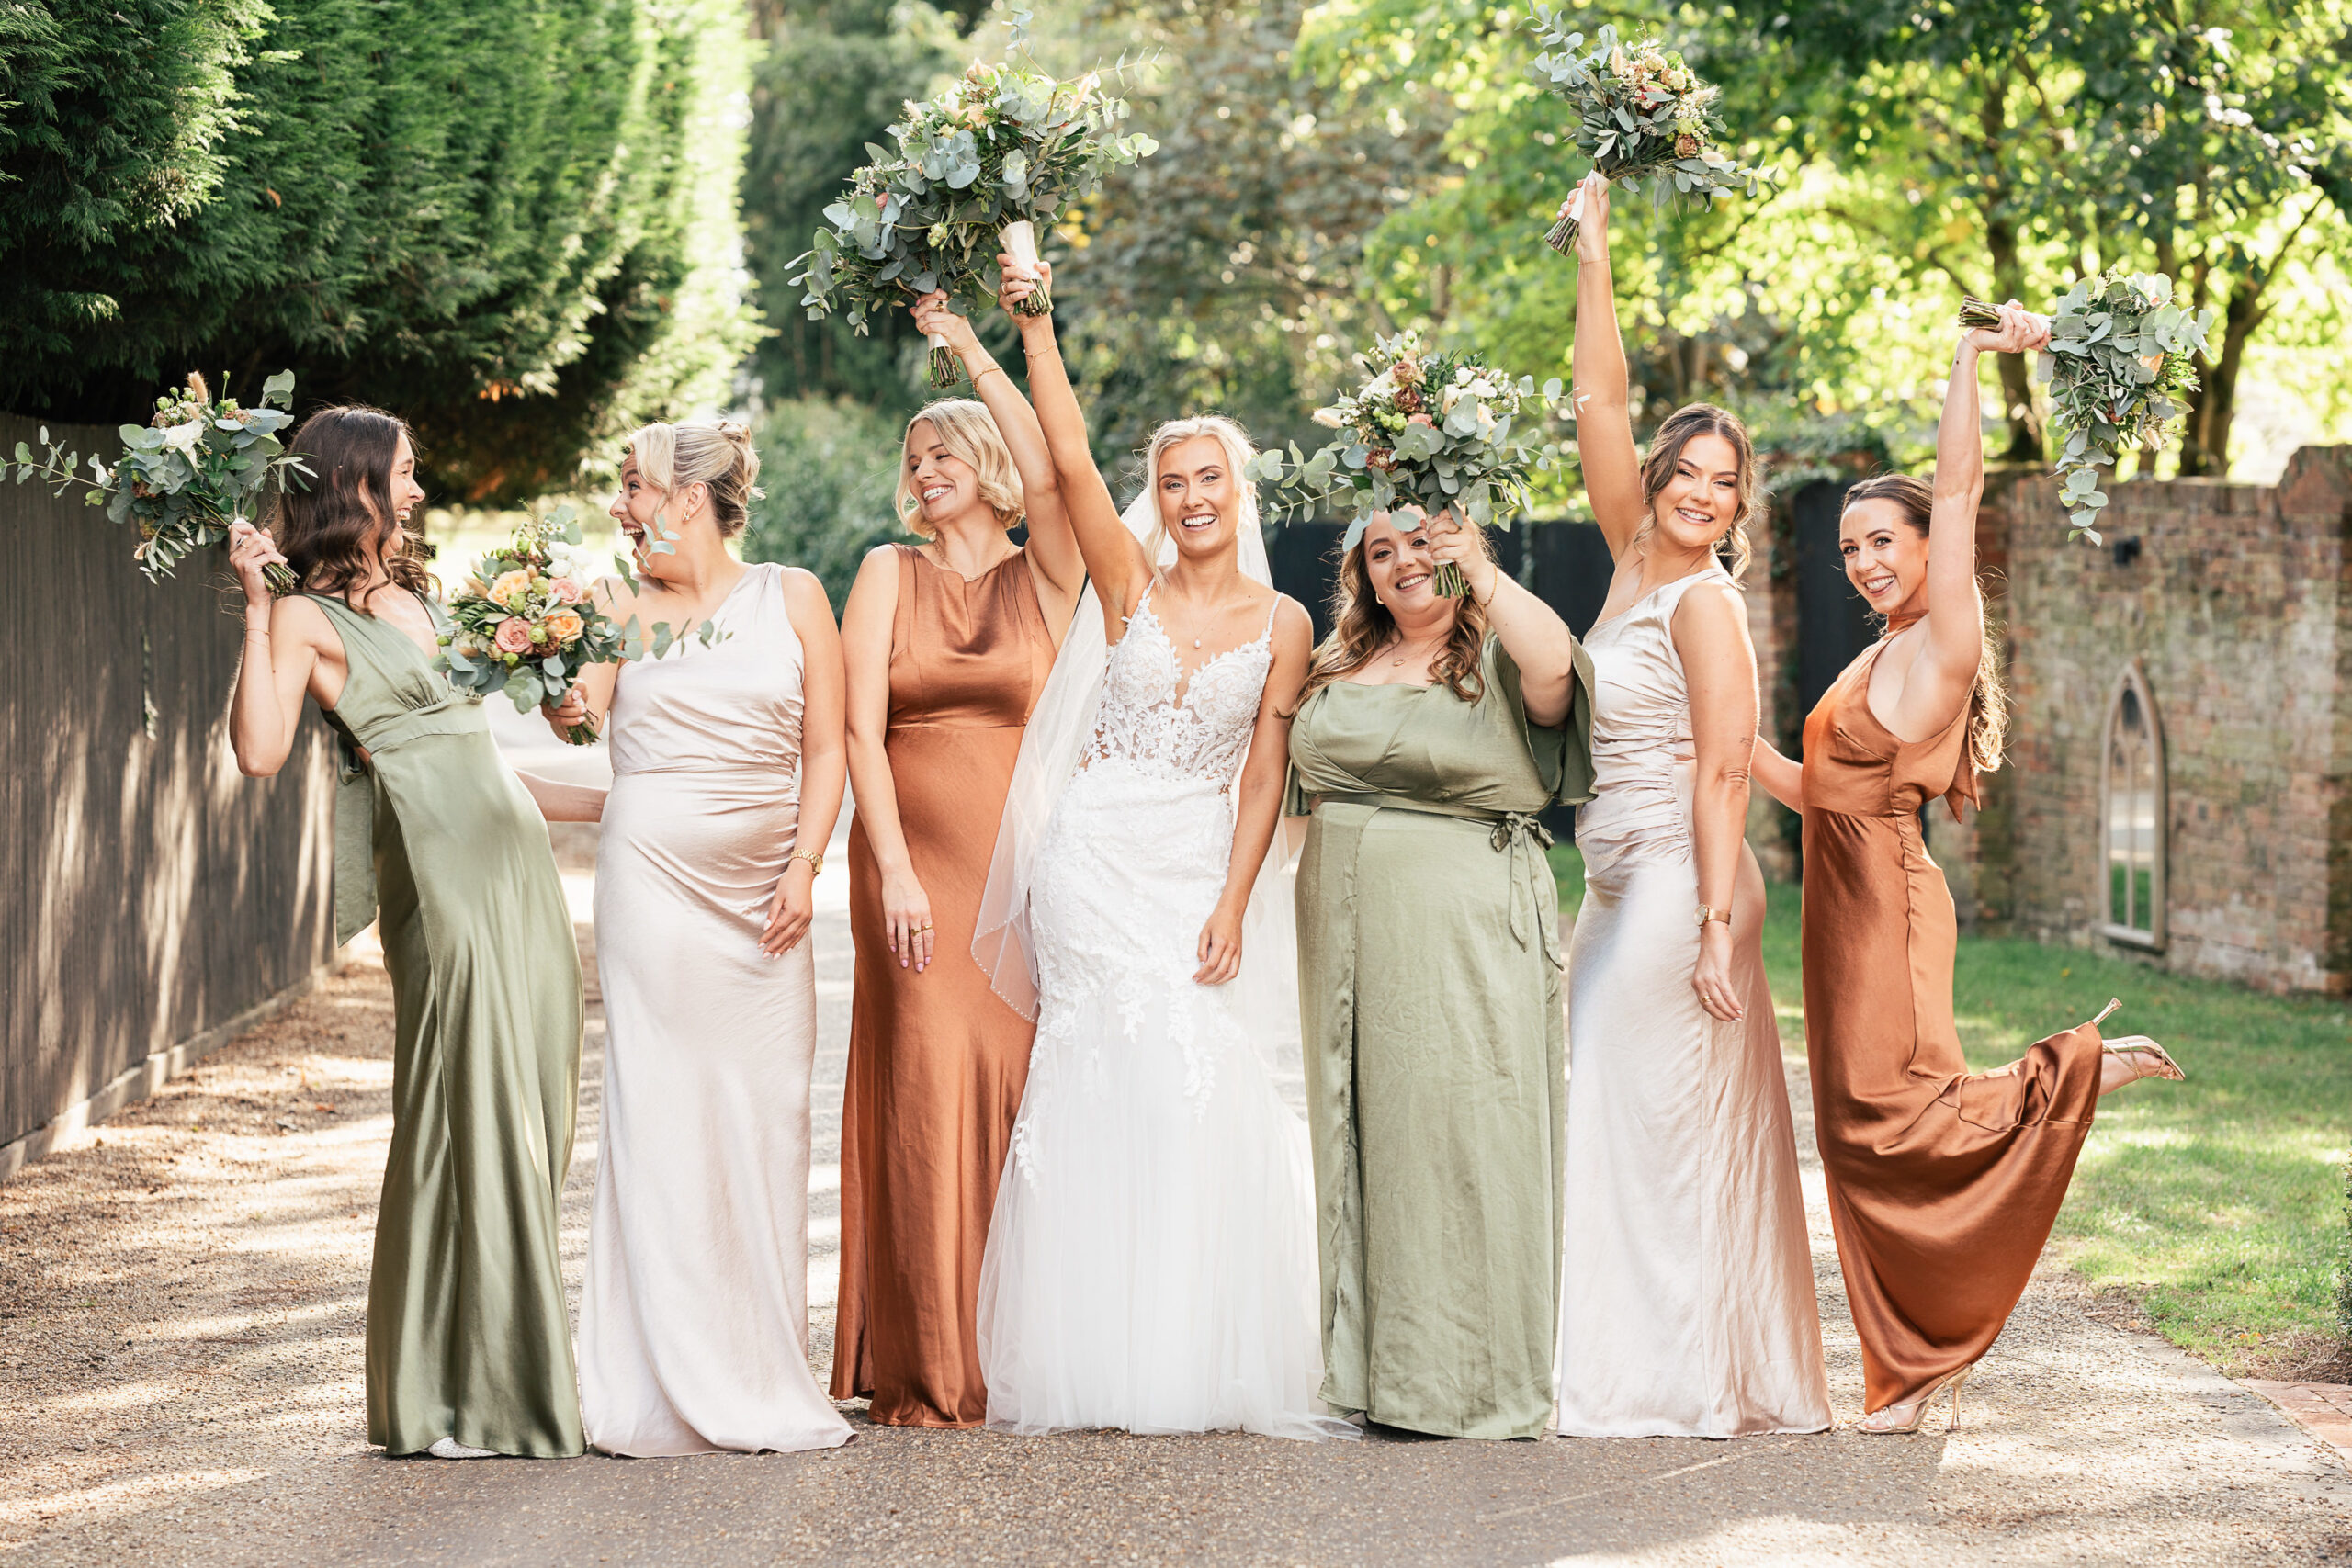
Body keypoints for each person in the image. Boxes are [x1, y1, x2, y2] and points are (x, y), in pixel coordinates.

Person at [1750, 299, 2187, 1436]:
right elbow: (1823, 795)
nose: (1863, 561)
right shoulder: (1879, 651)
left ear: (1930, 550)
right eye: (1850, 548)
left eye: (1881, 540)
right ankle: (1910, 1367)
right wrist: (1727, 746)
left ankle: (2079, 1070)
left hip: (1886, 907)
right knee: (1853, 1134)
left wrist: (1967, 359)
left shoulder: (1944, 637)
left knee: (1892, 1119)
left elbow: (1957, 490)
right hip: (1843, 906)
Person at [969, 257, 1344, 1440]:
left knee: (1194, 1069)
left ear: (1240, 491)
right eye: (1173, 480)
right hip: (1091, 857)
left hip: (1192, 862)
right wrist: (1032, 326)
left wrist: (1236, 900)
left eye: (1209, 477)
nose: (1190, 495)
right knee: (1093, 1067)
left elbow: (1265, 776)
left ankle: (1191, 1345)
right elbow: (1067, 462)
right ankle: (1094, 1350)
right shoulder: (1124, 581)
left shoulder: (1285, 624)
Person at [226, 407, 583, 1460]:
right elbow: (256, 751)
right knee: (464, 1109)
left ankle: (482, 1366)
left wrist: (603, 780)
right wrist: (256, 608)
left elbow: (488, 747)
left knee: (535, 1102)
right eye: (405, 474)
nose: (419, 491)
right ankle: (469, 1396)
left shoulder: (419, 595)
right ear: (355, 487)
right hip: (441, 873)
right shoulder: (304, 616)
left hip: (515, 860)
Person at [1549, 173, 1831, 1439]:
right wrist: (1593, 254)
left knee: (1625, 1098)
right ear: (1661, 473)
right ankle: (1619, 1352)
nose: (1701, 491)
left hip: (1684, 883)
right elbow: (1598, 398)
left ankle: (1652, 1379)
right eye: (1688, 469)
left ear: (1738, 499)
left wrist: (1716, 922)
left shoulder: (1707, 601)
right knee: (1601, 1104)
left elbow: (1726, 768)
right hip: (1614, 887)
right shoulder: (1627, 559)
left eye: (1726, 480)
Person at [536, 420, 853, 1457]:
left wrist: (805, 868)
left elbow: (826, 747)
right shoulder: (621, 607)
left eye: (633, 485)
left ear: (688, 494)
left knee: (764, 1121)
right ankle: (655, 1377)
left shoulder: (793, 594)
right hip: (654, 892)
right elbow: (576, 724)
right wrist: (546, 643)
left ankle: (761, 1370)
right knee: (662, 1113)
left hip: (767, 901)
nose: (620, 504)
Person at [1285, 499, 1593, 1441]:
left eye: (1419, 544)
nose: (1401, 565)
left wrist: (1482, 577)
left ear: (1459, 549)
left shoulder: (1497, 644)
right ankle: (1376, 1376)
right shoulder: (1337, 662)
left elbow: (1554, 671)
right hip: (1339, 924)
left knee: (1462, 1139)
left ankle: (1469, 1382)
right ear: (1362, 574)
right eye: (1381, 553)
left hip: (1461, 927)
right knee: (1360, 1140)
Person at [831, 299, 1084, 1427]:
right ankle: (934, 1365)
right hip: (915, 869)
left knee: (1026, 1092)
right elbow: (854, 730)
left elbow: (1053, 468)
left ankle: (1019, 1345)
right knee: (929, 1085)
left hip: (1031, 873)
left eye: (943, 453)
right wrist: (887, 867)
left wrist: (975, 350)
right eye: (912, 457)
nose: (924, 468)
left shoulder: (1050, 576)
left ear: (985, 465)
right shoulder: (888, 571)